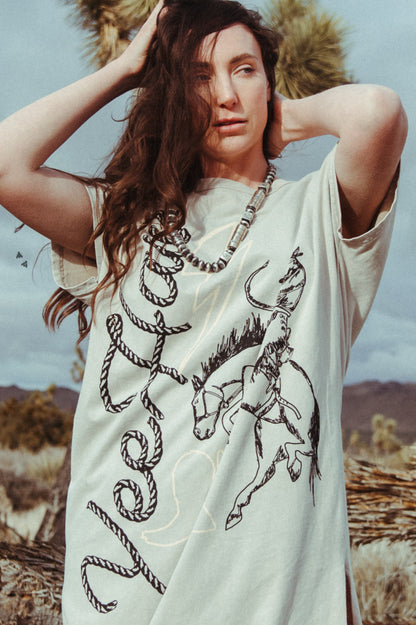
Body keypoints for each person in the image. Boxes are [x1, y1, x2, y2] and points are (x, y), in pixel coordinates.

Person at [0, 0, 407, 623]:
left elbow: (379, 113)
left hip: (271, 598)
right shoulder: (123, 221)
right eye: (197, 76)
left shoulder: (320, 213)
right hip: (127, 593)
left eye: (244, 69)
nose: (225, 95)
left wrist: (282, 121)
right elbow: (7, 165)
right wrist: (126, 68)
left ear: (269, 81)